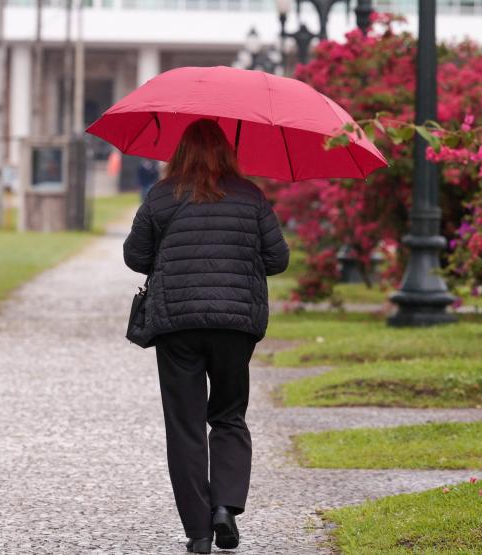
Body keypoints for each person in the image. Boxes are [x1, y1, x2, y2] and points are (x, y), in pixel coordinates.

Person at [122, 118, 289, 553]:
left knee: (185, 426)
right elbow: (277, 258)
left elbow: (135, 256)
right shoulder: (250, 196)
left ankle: (198, 530)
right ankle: (226, 509)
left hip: (177, 325)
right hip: (235, 325)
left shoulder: (161, 195)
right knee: (229, 415)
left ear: (179, 153)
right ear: (227, 153)